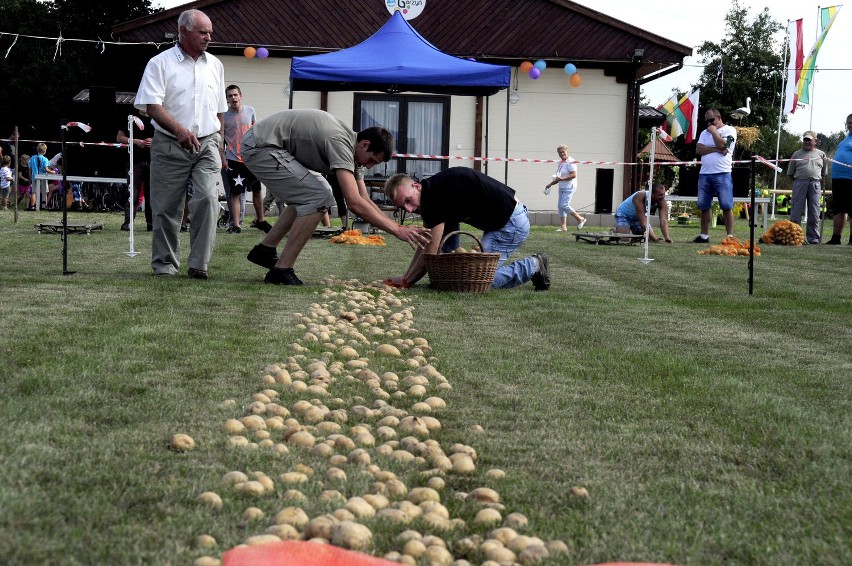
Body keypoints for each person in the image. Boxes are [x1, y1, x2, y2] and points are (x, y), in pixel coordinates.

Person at [242, 108, 430, 285]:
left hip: (270, 145)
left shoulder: (354, 149)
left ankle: (265, 251)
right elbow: (354, 203)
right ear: (365, 144)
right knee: (318, 197)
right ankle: (281, 270)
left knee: (317, 193)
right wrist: (397, 231)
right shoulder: (341, 143)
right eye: (372, 160)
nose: (370, 166)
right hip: (260, 146)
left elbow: (364, 199)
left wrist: (397, 226)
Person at [134, 9, 227, 279]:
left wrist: (219, 142)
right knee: (165, 207)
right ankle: (164, 264)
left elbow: (220, 110)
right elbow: (152, 106)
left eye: (210, 32)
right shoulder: (160, 63)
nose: (209, 37)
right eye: (203, 32)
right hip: (169, 142)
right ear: (183, 31)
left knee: (209, 199)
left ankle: (199, 263)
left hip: (207, 142)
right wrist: (179, 130)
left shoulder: (216, 65)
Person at [385, 167, 551, 291]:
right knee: (452, 277)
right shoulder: (431, 190)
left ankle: (534, 265)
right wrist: (407, 277)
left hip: (511, 222)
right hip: (505, 217)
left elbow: (430, 252)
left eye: (408, 200)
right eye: (402, 207)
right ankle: (448, 278)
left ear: (416, 186)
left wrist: (407, 282)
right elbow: (426, 243)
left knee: (475, 280)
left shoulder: (432, 198)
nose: (409, 209)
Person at [222, 84, 270, 234]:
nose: (233, 98)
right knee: (235, 193)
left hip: (251, 158)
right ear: (227, 99)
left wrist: (260, 152)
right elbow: (221, 139)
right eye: (230, 96)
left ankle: (261, 221)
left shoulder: (250, 111)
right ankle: (236, 225)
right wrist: (223, 159)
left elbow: (257, 132)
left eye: (235, 95)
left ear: (240, 96)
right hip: (234, 160)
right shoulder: (223, 115)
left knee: (256, 190)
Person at [694, 108, 737, 243]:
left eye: (711, 120)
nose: (709, 124)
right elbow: (698, 149)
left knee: (726, 205)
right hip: (705, 174)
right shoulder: (703, 133)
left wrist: (713, 133)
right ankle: (704, 236)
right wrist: (716, 149)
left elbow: (724, 146)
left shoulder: (730, 130)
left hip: (723, 173)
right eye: (706, 122)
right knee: (704, 205)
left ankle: (729, 236)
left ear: (719, 118)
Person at [787, 131, 827, 245]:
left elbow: (824, 173)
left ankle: (813, 238)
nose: (807, 142)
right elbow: (790, 173)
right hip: (799, 182)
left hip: (815, 183)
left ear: (815, 141)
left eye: (809, 140)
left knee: (814, 212)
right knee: (796, 211)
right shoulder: (796, 154)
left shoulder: (821, 154)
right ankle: (795, 237)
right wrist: (799, 181)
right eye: (805, 139)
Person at [118, 111, 153, 231]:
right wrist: (135, 141)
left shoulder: (157, 117)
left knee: (152, 194)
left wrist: (155, 142)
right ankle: (128, 223)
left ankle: (151, 224)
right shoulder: (131, 117)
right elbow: (119, 137)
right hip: (135, 161)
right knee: (133, 193)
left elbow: (167, 137)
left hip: (153, 161)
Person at [545, 144, 586, 231]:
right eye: (560, 153)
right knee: (560, 207)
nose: (562, 154)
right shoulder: (560, 163)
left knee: (564, 205)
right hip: (562, 186)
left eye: (563, 152)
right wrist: (550, 184)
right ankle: (563, 227)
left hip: (569, 186)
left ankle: (580, 219)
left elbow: (574, 175)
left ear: (567, 151)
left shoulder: (570, 161)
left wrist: (562, 179)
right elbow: (558, 177)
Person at [826, 113, 852, 245]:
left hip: (850, 179)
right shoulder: (846, 138)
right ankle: (836, 238)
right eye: (849, 122)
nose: (850, 125)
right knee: (839, 209)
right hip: (838, 178)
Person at [28, 143, 55, 210]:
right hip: (43, 177)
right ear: (45, 151)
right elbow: (46, 169)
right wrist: (53, 172)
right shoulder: (45, 159)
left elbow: (30, 168)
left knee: (34, 192)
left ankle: (32, 206)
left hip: (35, 176)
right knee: (44, 192)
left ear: (37, 149)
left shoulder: (32, 158)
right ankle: (43, 206)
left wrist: (30, 177)